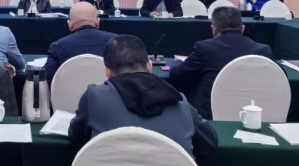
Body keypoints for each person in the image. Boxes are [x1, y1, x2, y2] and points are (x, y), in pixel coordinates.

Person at [69, 34, 217, 159]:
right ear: (149, 66)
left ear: (107, 72)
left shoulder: (94, 96)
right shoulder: (180, 101)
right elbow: (209, 143)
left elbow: (76, 138)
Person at [168, 6, 273, 120]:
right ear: (242, 28)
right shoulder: (264, 50)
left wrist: (177, 63)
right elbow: (280, 77)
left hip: (210, 119)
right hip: (253, 116)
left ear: (214, 29)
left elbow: (177, 75)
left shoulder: (204, 48)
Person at [43, 2, 117, 81]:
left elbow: (47, 79)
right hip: (108, 89)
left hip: (69, 89)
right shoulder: (116, 42)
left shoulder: (58, 46)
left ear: (70, 24)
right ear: (97, 21)